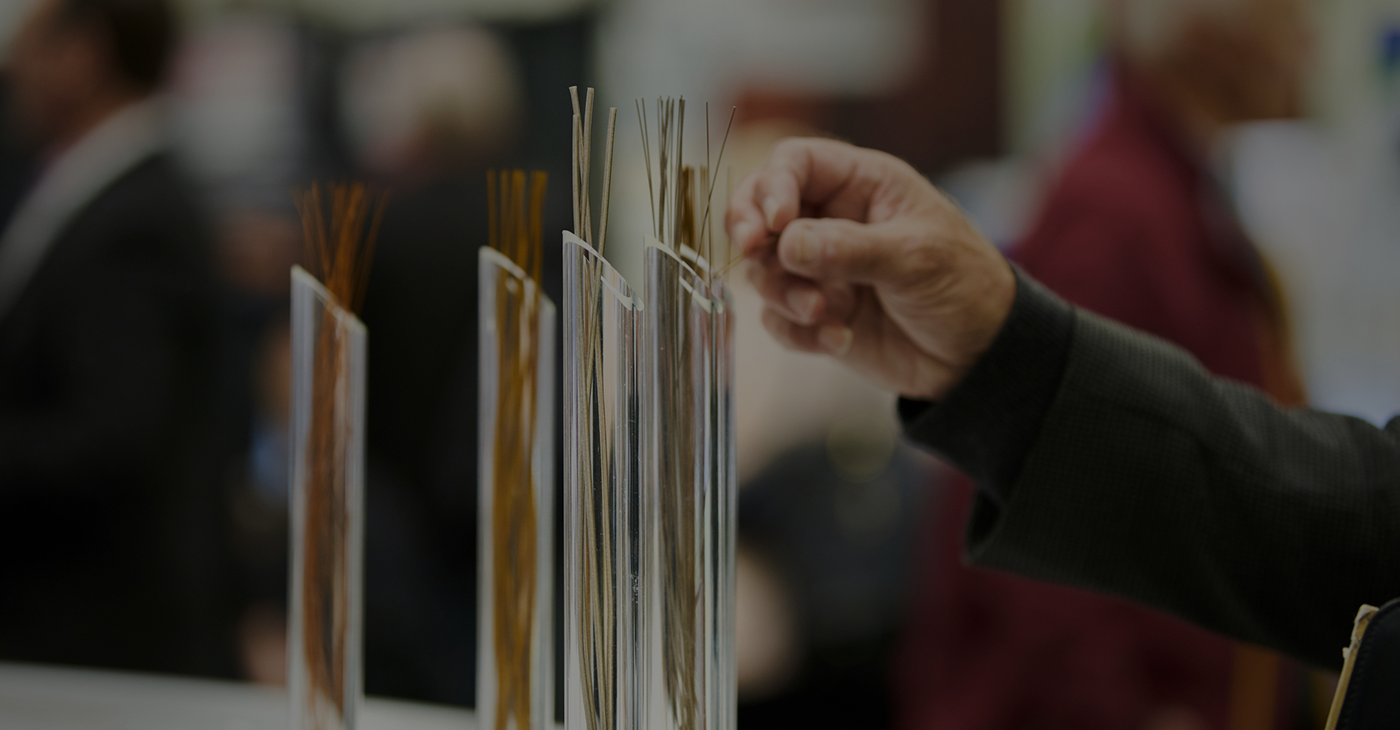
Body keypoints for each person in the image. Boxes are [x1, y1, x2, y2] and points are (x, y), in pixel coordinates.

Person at [726, 135, 1400, 673]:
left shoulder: (1194, 189)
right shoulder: (1119, 208)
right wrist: (1000, 351)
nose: (1306, 31)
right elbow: (1356, 516)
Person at [899, 0, 1314, 727]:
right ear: (1198, 24)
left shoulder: (1176, 191)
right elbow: (1043, 508)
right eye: (1290, 13)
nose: (1307, 43)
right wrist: (1130, 710)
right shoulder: (1116, 214)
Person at [0, 0, 230, 675]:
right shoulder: (90, 188)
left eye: (31, 43)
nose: (14, 65)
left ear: (84, 54)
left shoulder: (135, 216)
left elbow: (109, 438)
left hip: (98, 637)